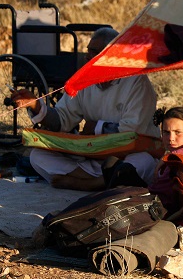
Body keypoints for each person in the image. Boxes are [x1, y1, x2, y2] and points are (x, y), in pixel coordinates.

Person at [11, 27, 160, 191]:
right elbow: (62, 120)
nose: (88, 57)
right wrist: (36, 105)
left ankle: (82, 183)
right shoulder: (84, 79)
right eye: (88, 51)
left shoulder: (136, 82)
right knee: (37, 156)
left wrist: (96, 127)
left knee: (143, 162)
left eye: (94, 52)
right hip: (92, 159)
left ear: (112, 55)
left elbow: (132, 133)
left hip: (125, 157)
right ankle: (99, 182)